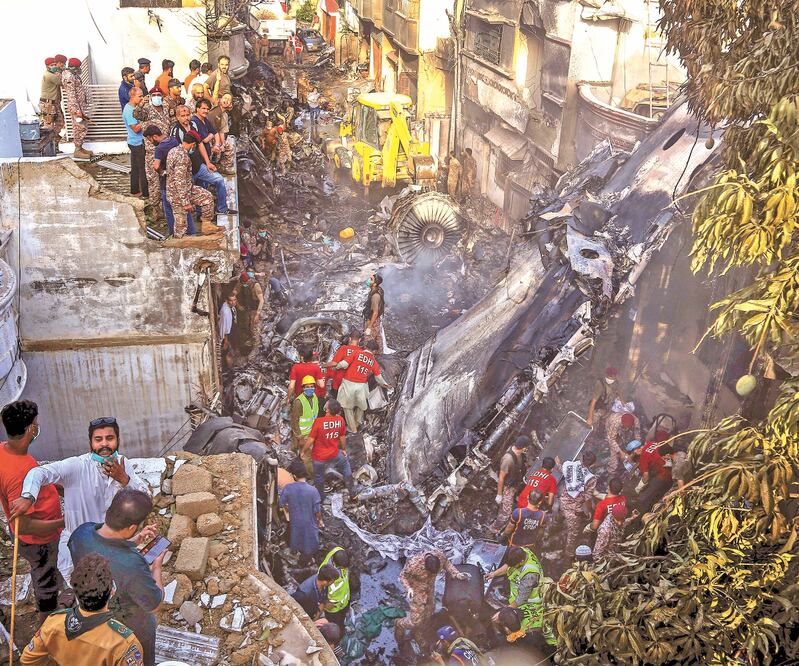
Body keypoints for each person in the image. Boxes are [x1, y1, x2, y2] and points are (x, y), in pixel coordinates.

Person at [11, 415, 150, 586]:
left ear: (118, 440)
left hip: (111, 547)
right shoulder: (77, 466)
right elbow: (38, 472)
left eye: (110, 438)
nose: (104, 444)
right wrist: (28, 496)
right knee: (89, 599)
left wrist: (124, 479)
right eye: (98, 439)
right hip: (78, 550)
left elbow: (145, 498)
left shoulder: (123, 464)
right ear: (90, 443)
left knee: (113, 600)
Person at [68, 489, 165, 666]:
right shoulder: (132, 565)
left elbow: (104, 547)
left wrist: (133, 541)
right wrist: (156, 567)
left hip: (92, 621)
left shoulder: (80, 533)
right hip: (130, 630)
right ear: (131, 527)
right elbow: (154, 605)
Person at [0, 401, 64, 623]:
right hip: (39, 539)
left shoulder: (5, 451)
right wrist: (62, 523)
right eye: (36, 424)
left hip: (33, 533)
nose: (38, 427)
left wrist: (52, 484)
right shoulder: (20, 473)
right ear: (30, 430)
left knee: (49, 569)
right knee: (44, 575)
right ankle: (48, 622)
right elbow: (25, 525)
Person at [20, 553, 144, 666]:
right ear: (112, 591)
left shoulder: (53, 623)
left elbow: (27, 660)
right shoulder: (124, 644)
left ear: (75, 591)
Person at [395, 550, 468, 644]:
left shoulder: (439, 556)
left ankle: (418, 632)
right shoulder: (413, 564)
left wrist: (456, 574)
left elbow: (447, 563)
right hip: (417, 592)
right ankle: (399, 624)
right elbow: (402, 576)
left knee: (429, 612)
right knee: (415, 621)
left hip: (430, 589)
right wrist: (408, 588)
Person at [332, 339, 390, 433]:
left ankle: (352, 429)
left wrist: (336, 366)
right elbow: (378, 378)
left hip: (348, 384)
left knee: (347, 408)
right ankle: (357, 423)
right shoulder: (373, 361)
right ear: (374, 351)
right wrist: (386, 385)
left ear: (366, 346)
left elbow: (344, 364)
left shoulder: (357, 353)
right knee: (361, 407)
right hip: (362, 387)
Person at [191, 99, 237, 216]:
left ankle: (200, 213)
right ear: (197, 108)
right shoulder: (194, 122)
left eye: (207, 109)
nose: (205, 111)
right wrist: (208, 162)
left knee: (202, 186)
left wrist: (216, 144)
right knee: (219, 180)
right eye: (203, 108)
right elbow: (202, 141)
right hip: (198, 162)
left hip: (204, 160)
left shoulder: (204, 120)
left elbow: (215, 132)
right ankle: (221, 209)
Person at [165, 130, 215, 237]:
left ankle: (206, 225)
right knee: (181, 227)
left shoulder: (173, 150)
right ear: (193, 144)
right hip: (177, 196)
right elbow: (180, 181)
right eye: (195, 146)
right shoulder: (182, 157)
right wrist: (185, 202)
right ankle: (178, 247)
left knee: (207, 198)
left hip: (187, 189)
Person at [304, 399, 353, 502]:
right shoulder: (340, 420)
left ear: (327, 410)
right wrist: (343, 449)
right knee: (345, 466)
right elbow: (342, 437)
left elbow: (310, 440)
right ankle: (352, 490)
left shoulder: (318, 422)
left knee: (319, 478)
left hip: (319, 457)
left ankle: (321, 499)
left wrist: (303, 451)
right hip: (335, 454)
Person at [279, 458, 323, 564]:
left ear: (294, 476)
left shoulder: (288, 488)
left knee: (295, 540)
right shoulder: (313, 491)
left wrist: (287, 508)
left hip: (295, 523)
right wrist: (320, 521)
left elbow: (281, 503)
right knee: (309, 544)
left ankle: (297, 556)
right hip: (309, 523)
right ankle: (307, 560)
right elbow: (317, 511)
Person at [135, 88, 171, 211]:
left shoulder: (166, 108)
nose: (156, 97)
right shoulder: (146, 110)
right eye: (154, 95)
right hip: (152, 152)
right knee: (154, 180)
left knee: (167, 178)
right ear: (150, 97)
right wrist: (140, 105)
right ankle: (156, 209)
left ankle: (166, 206)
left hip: (166, 149)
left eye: (159, 95)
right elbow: (137, 115)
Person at [558, 450, 598, 556]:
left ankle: (556, 523)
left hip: (562, 501)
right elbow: (588, 498)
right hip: (574, 510)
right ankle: (569, 554)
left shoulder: (569, 465)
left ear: (581, 458)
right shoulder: (591, 478)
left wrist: (558, 463)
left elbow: (561, 469)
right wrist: (589, 511)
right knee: (573, 534)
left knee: (559, 515)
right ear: (593, 464)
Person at [145, 125, 182, 235]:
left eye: (150, 139)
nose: (150, 142)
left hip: (166, 182)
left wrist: (162, 172)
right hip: (178, 179)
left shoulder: (159, 148)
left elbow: (156, 166)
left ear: (155, 136)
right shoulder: (173, 140)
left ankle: (172, 232)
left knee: (168, 208)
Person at [489, 435, 530, 534]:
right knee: (505, 513)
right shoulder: (508, 459)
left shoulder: (519, 454)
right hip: (508, 487)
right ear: (523, 447)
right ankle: (493, 529)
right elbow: (501, 478)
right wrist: (499, 494)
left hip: (515, 482)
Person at [62, 57, 92, 159]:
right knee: (79, 127)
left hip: (79, 106)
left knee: (82, 126)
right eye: (78, 67)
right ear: (74, 67)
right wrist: (77, 110)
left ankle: (80, 148)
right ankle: (77, 150)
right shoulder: (69, 77)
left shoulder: (73, 75)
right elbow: (71, 95)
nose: (80, 69)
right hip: (76, 107)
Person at [632, 439, 673, 512]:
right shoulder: (649, 444)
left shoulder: (642, 460)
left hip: (664, 474)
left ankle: (642, 507)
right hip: (671, 464)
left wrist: (639, 487)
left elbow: (646, 476)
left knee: (649, 491)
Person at [122, 86, 148, 198]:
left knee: (136, 168)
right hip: (136, 143)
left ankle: (135, 190)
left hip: (136, 142)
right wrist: (146, 122)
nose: (142, 98)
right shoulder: (129, 111)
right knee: (142, 168)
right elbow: (136, 129)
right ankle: (145, 192)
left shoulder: (135, 108)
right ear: (132, 97)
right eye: (140, 96)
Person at [290, 375, 320, 469]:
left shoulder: (314, 397)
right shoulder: (299, 402)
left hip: (312, 433)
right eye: (307, 387)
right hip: (302, 434)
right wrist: (300, 438)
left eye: (312, 386)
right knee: (306, 457)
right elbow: (294, 421)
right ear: (303, 388)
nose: (310, 389)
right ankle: (308, 476)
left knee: (312, 454)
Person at [317, 546, 351, 629]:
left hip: (344, 599)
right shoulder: (327, 575)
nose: (345, 569)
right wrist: (326, 602)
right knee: (336, 624)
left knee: (344, 615)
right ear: (335, 564)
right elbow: (320, 590)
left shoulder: (338, 550)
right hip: (333, 607)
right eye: (343, 567)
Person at [325, 330, 362, 398]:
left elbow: (334, 363)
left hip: (339, 382)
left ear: (350, 338)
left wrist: (323, 365)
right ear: (359, 340)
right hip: (353, 384)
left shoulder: (344, 348)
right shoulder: (361, 352)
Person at [206, 93, 237, 175]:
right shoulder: (213, 111)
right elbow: (212, 131)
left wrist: (223, 144)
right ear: (220, 100)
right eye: (225, 98)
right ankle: (210, 169)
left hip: (216, 136)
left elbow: (221, 131)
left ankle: (223, 167)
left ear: (230, 104)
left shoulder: (225, 115)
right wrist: (217, 143)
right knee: (215, 149)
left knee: (229, 145)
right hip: (207, 137)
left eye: (228, 100)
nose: (226, 101)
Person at [605, 410, 639, 478]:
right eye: (625, 427)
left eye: (628, 427)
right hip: (610, 426)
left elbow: (637, 436)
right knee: (614, 452)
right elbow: (612, 440)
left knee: (625, 441)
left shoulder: (636, 421)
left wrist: (635, 450)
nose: (626, 428)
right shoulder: (615, 422)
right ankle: (611, 472)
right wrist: (620, 452)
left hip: (622, 430)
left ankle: (622, 453)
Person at [39, 57, 65, 149]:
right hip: (48, 105)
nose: (54, 66)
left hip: (54, 104)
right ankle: (46, 148)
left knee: (60, 123)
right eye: (52, 65)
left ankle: (54, 145)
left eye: (55, 64)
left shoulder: (52, 74)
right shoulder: (49, 75)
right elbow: (63, 82)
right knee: (48, 126)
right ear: (47, 66)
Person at [362, 273, 385, 354]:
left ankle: (368, 357)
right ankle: (380, 354)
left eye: (371, 279)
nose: (368, 280)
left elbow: (375, 313)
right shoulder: (376, 289)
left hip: (373, 320)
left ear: (374, 284)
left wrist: (369, 327)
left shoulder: (375, 296)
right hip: (375, 319)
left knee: (368, 341)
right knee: (378, 338)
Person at [236, 270, 264, 336]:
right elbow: (234, 293)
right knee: (247, 324)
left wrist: (257, 314)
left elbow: (262, 300)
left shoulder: (256, 285)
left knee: (254, 327)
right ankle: (251, 338)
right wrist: (238, 305)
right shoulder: (246, 277)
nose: (244, 285)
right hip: (248, 307)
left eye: (245, 283)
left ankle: (256, 344)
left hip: (255, 308)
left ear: (248, 281)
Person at [218, 291, 239, 368]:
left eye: (235, 300)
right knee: (228, 354)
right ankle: (230, 370)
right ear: (227, 301)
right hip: (227, 336)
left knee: (230, 352)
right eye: (231, 300)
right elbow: (224, 328)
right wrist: (226, 340)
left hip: (231, 333)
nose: (233, 302)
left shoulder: (230, 307)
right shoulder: (225, 312)